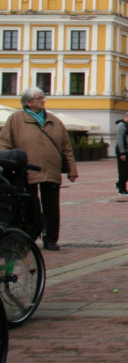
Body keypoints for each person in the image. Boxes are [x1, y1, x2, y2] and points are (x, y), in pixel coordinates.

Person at [0, 87, 78, 250]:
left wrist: (72, 169)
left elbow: (66, 147)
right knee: (29, 206)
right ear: (28, 102)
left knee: (52, 207)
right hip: (26, 171)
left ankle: (50, 239)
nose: (43, 100)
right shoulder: (16, 119)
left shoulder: (55, 121)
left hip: (51, 170)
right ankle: (28, 236)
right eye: (38, 98)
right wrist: (7, 164)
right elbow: (4, 143)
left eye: (43, 97)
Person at [114, 111, 128, 196]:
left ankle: (119, 183)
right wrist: (122, 152)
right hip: (123, 152)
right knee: (123, 171)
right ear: (126, 117)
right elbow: (120, 139)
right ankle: (122, 190)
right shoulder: (121, 125)